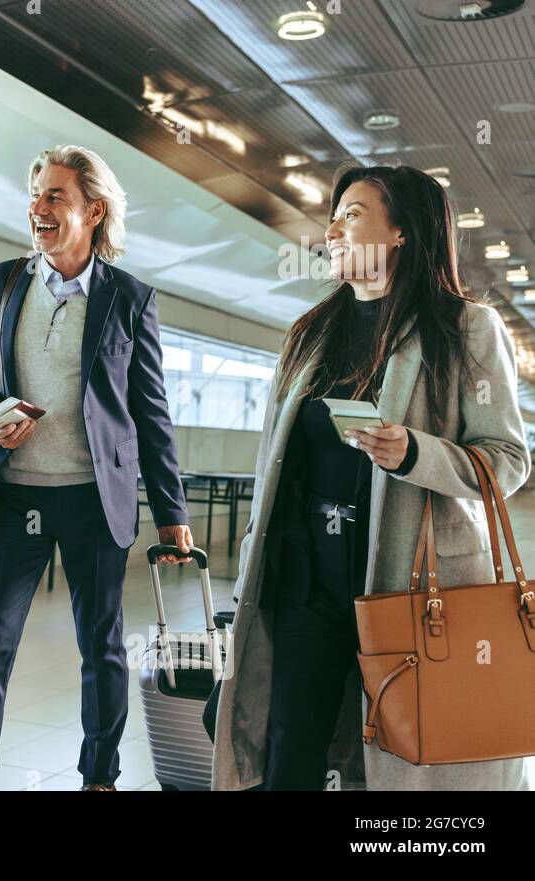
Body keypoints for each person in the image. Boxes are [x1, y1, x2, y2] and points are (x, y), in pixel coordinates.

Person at [211, 164, 532, 791]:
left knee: (408, 755)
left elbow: (508, 459)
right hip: (306, 583)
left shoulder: (464, 328)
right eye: (332, 216)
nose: (331, 230)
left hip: (408, 585)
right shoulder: (311, 333)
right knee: (289, 750)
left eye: (352, 215)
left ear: (402, 231)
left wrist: (414, 453)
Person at [0, 145, 194, 791]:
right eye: (36, 196)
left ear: (94, 211)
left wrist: (171, 515)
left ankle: (100, 777)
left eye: (55, 196)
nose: (39, 209)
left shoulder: (129, 300)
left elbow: (150, 412)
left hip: (93, 498)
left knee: (102, 648)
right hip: (16, 493)